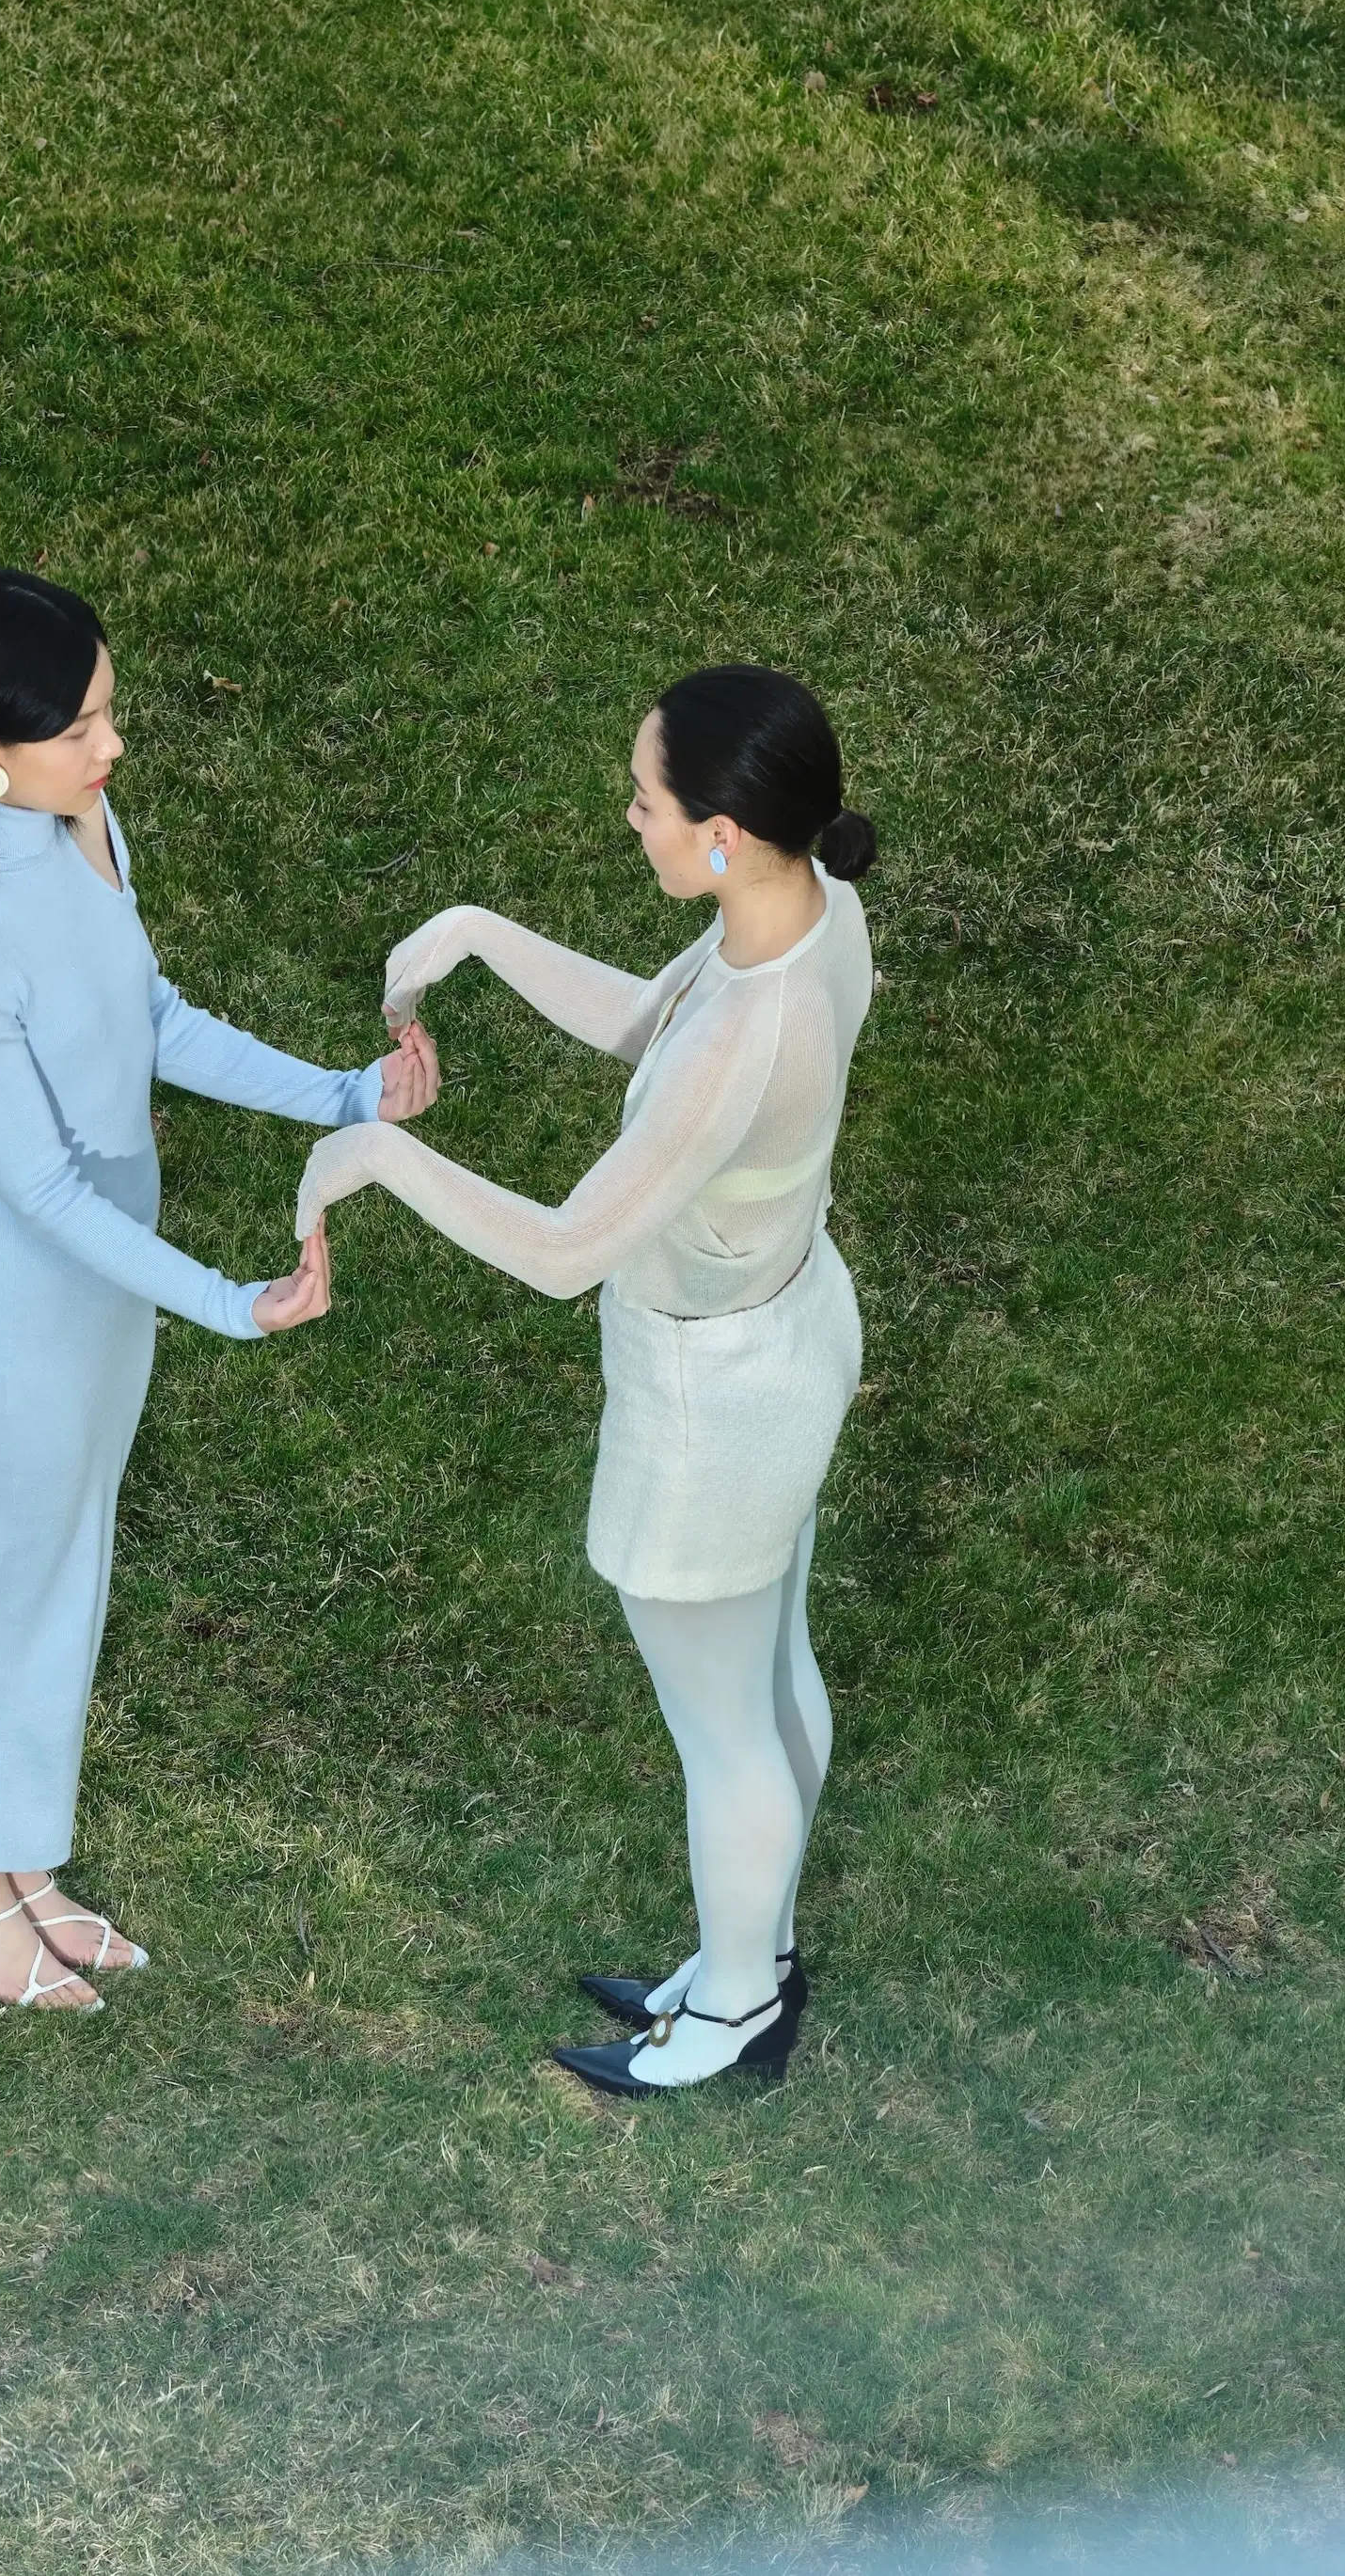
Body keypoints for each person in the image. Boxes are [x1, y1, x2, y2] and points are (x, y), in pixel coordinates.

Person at [297, 665, 877, 2094]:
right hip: (788, 1340)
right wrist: (482, 937)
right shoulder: (808, 917)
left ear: (725, 832)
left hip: (713, 1411)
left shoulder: (745, 1037)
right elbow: (657, 1021)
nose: (630, 820)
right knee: (772, 1671)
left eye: (644, 801)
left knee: (723, 1724)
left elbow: (567, 1250)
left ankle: (738, 2008)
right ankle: (759, 1952)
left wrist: (373, 1156)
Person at [0, 568, 441, 2012]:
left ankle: (14, 1863)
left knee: (68, 1575)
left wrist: (344, 1094)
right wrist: (228, 1298)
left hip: (99, 1297)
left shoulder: (83, 828)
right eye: (84, 727)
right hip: (7, 1314)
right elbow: (49, 1192)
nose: (114, 746)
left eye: (110, 712)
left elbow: (152, 1020)